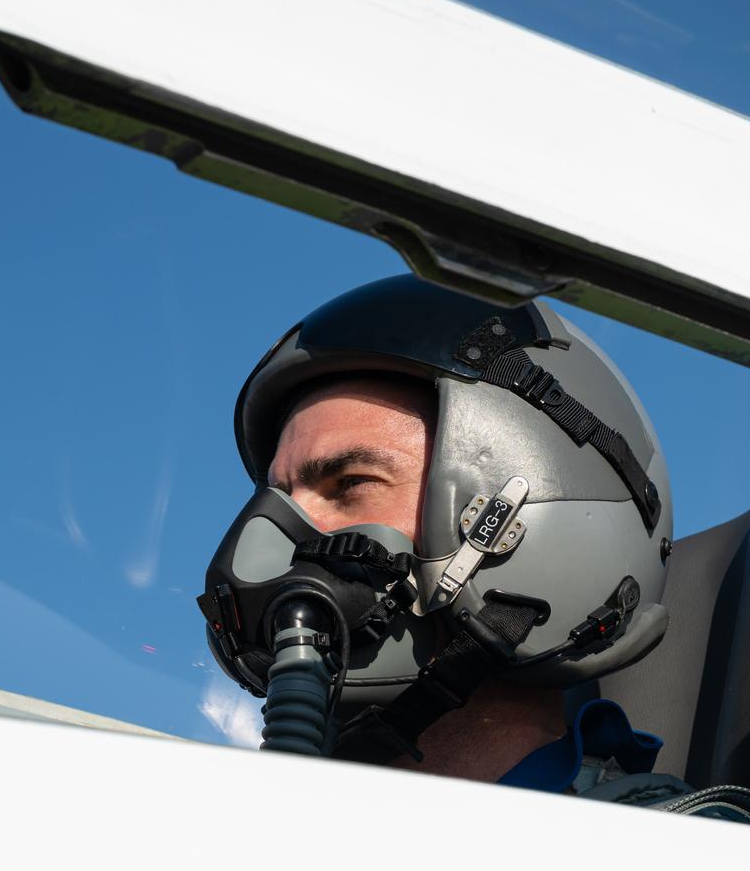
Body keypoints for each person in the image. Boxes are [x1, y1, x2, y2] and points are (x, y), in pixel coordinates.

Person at [199, 273, 681, 798]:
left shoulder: (688, 858)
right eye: (279, 500)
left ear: (517, 518)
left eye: (351, 483)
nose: (263, 548)